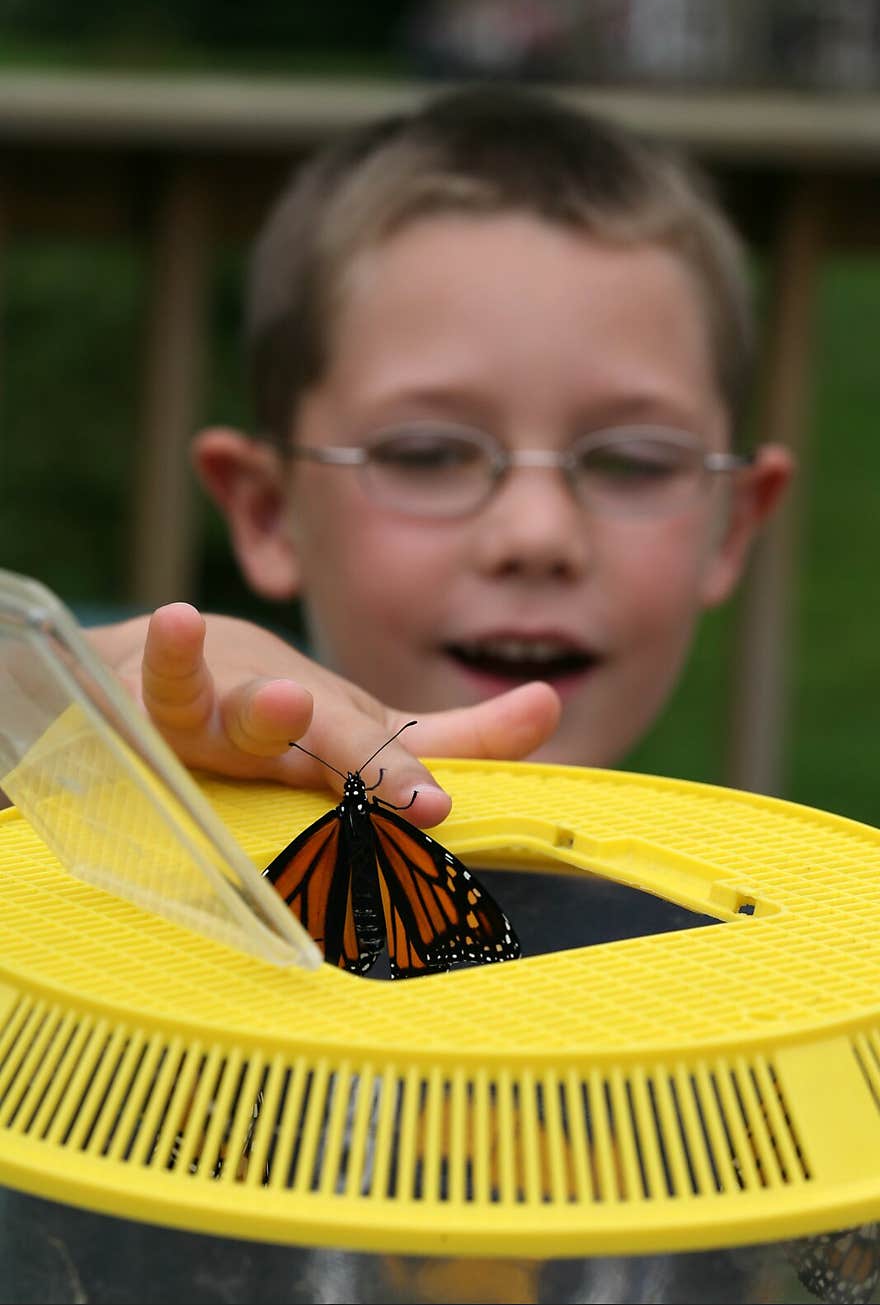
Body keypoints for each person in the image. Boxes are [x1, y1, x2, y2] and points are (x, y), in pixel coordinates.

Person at [91, 85, 792, 823]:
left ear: (733, 525)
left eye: (635, 462)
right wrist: (87, 696)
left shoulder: (787, 921)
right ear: (269, 511)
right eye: (426, 454)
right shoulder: (161, 831)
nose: (537, 535)